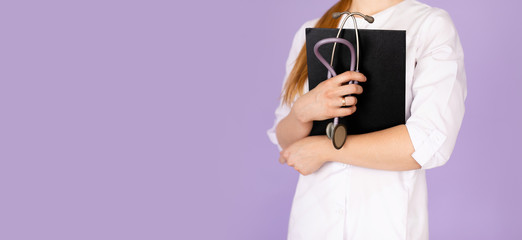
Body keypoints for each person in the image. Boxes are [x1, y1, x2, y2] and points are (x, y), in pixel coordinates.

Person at [266, 0, 467, 239]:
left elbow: (426, 142)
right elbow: (286, 142)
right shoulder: (311, 30)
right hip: (312, 223)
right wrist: (301, 112)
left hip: (384, 224)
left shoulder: (428, 26)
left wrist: (325, 150)